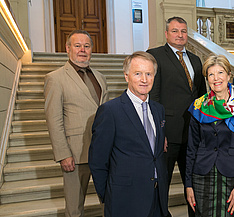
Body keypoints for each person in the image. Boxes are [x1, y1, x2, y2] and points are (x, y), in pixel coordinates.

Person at [88, 51, 169, 217]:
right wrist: (109, 196)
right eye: (138, 74)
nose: (144, 80)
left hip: (157, 198)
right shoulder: (110, 111)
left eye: (149, 74)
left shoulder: (158, 110)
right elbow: (97, 160)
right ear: (126, 76)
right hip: (125, 200)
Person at [44, 30, 108, 217]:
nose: (82, 50)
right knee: (74, 209)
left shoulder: (100, 78)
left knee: (108, 202)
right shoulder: (55, 79)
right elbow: (54, 120)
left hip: (102, 152)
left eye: (87, 46)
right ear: (68, 48)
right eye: (77, 45)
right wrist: (63, 154)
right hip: (75, 153)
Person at [147, 17, 207, 216]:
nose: (180, 35)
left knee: (194, 184)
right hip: (168, 134)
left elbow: (201, 98)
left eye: (183, 31)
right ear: (166, 34)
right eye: (175, 31)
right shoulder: (155, 56)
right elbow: (153, 98)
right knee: (161, 184)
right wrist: (159, 132)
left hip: (193, 134)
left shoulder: (196, 59)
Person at [185, 55, 234, 217]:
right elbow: (191, 148)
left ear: (229, 75)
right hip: (202, 174)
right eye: (211, 74)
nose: (216, 78)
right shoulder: (198, 106)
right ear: (207, 79)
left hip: (233, 175)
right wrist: (188, 184)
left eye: (220, 73)